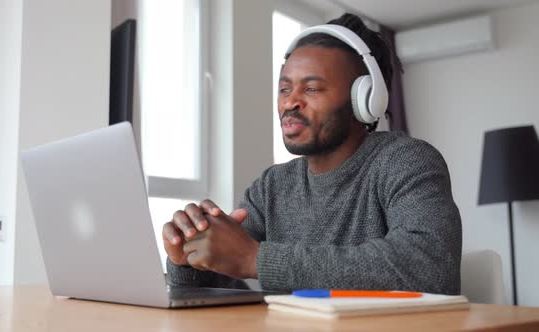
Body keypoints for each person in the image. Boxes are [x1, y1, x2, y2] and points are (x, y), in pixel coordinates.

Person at [162, 13, 462, 294]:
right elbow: (225, 286)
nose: (290, 102)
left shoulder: (406, 161)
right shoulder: (271, 187)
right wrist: (188, 259)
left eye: (312, 89)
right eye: (284, 89)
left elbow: (429, 268)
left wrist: (256, 260)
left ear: (366, 99)